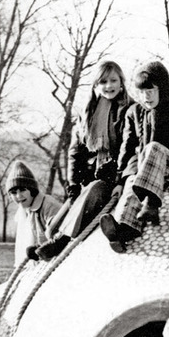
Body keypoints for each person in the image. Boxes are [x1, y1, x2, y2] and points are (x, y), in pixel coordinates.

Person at [99, 60, 169, 252]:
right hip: (144, 170)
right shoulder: (134, 112)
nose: (146, 96)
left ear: (162, 89)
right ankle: (124, 229)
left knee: (153, 148)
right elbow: (127, 148)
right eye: (141, 92)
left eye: (151, 90)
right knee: (133, 179)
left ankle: (152, 203)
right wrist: (122, 178)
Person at [34, 60, 133, 260]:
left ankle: (61, 242)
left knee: (96, 189)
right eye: (103, 81)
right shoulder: (88, 112)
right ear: (96, 85)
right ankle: (52, 240)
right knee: (52, 227)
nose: (109, 86)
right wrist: (73, 183)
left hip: (113, 176)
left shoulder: (129, 109)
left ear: (121, 82)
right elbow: (75, 151)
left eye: (113, 80)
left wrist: (119, 177)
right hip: (90, 175)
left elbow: (130, 147)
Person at [7, 160, 62, 266]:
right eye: (13, 193)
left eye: (22, 190)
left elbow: (62, 238)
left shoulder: (48, 206)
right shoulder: (23, 212)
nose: (18, 196)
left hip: (56, 263)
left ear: (32, 190)